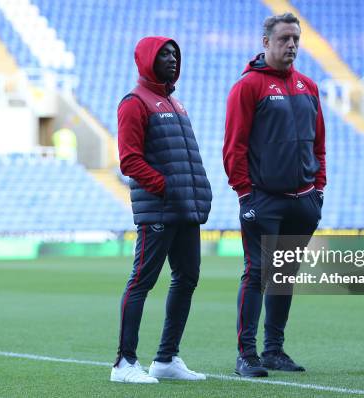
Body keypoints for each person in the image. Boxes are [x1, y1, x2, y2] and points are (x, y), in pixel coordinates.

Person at [223, 13, 326, 377]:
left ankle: (274, 351)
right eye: (284, 39)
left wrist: (319, 189)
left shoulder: (309, 87)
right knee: (257, 274)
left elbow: (319, 145)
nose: (292, 45)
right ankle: (246, 355)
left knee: (284, 275)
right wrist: (245, 195)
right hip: (263, 199)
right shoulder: (248, 87)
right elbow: (233, 148)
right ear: (265, 42)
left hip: (304, 200)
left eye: (296, 39)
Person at [111, 36, 212, 384]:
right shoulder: (134, 103)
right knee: (142, 281)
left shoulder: (176, 104)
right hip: (158, 210)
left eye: (174, 54)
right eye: (164, 54)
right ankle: (123, 363)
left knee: (187, 279)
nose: (171, 59)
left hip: (185, 210)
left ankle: (166, 358)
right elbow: (129, 160)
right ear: (147, 59)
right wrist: (165, 188)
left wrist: (198, 192)